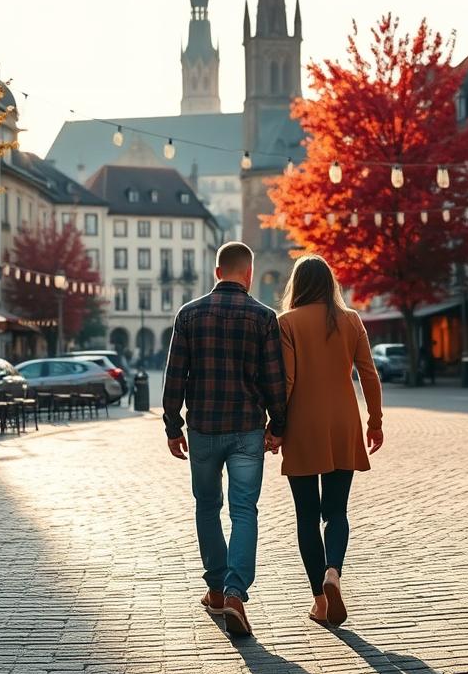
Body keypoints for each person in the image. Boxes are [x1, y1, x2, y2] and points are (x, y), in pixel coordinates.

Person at [162, 241, 287, 637]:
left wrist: (172, 426)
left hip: (202, 428)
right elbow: (274, 379)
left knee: (207, 507)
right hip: (247, 428)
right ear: (249, 274)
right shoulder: (264, 317)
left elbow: (174, 376)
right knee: (244, 510)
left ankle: (215, 589)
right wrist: (278, 426)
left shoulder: (189, 314)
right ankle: (235, 593)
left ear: (217, 272)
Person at [275, 255, 383, 626]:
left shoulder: (287, 322)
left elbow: (287, 380)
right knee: (336, 511)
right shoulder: (351, 320)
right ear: (330, 283)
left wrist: (275, 426)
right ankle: (333, 571)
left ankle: (320, 601)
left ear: (297, 284)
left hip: (303, 425)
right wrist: (375, 422)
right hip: (343, 423)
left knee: (306, 516)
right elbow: (368, 374)